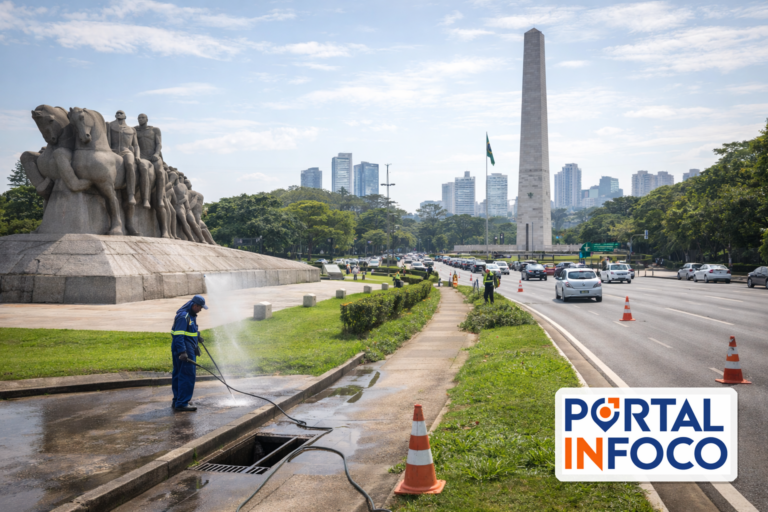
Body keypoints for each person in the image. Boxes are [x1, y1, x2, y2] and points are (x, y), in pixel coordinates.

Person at [171, 295, 208, 412]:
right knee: (187, 375)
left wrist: (197, 336)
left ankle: (178, 400)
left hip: (186, 348)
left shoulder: (190, 315)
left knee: (179, 374)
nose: (201, 310)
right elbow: (178, 335)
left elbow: (189, 330)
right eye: (200, 307)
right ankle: (182, 403)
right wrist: (183, 352)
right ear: (194, 305)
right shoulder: (184, 316)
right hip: (184, 350)